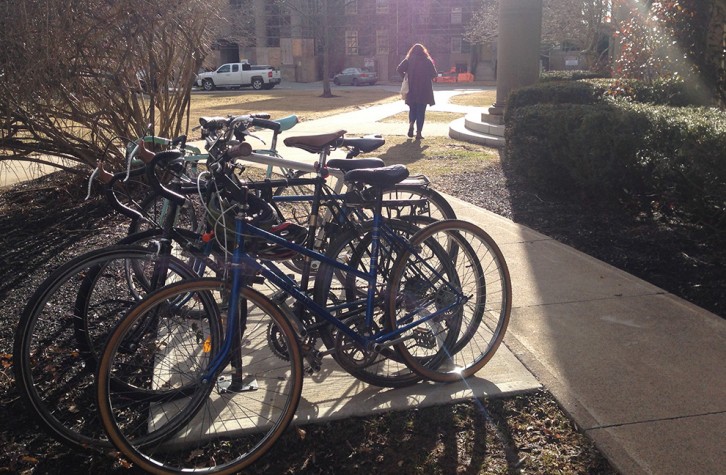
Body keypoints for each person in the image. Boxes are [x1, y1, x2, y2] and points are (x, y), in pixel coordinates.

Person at [396, 43, 437, 139]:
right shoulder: (427, 61)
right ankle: (419, 133)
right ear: (424, 51)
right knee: (421, 112)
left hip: (411, 89)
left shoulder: (409, 60)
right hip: (424, 90)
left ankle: (411, 124)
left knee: (412, 109)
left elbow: (399, 69)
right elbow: (434, 74)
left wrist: (406, 77)